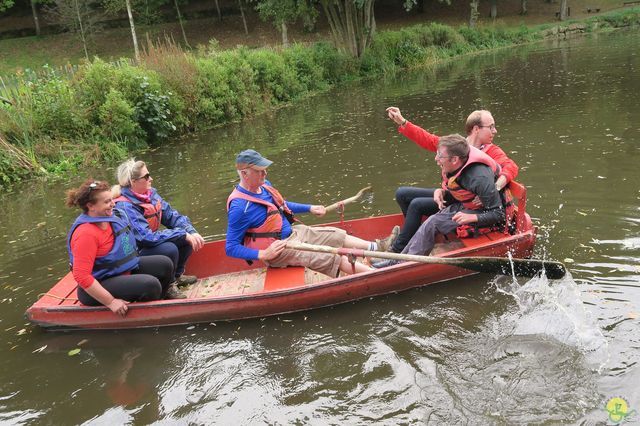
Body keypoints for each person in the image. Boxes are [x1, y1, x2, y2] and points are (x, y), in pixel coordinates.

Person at [226, 149, 399, 277]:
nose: (265, 173)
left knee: (336, 235)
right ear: (244, 173)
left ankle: (377, 247)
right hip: (280, 250)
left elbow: (283, 205)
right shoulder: (240, 207)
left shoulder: (264, 185)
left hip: (294, 234)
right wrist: (263, 254)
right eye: (259, 170)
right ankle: (377, 274)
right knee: (330, 255)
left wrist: (310, 208)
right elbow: (231, 247)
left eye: (264, 169)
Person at [384, 107, 519, 252]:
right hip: (452, 193)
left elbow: (511, 166)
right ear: (476, 129)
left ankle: (399, 249)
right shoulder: (456, 145)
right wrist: (402, 122)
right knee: (402, 194)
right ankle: (415, 235)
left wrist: (495, 186)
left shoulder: (492, 151)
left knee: (417, 205)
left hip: (465, 201)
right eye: (491, 127)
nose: (495, 131)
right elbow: (428, 139)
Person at [372, 134, 505, 268]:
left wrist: (472, 217)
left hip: (483, 214)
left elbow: (499, 214)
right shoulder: (456, 165)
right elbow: (461, 190)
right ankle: (398, 259)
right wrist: (442, 192)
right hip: (466, 204)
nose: (436, 159)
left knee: (433, 222)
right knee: (429, 222)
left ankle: (401, 265)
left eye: (440, 156)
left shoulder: (479, 177)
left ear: (454, 159)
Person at [66, 179, 176, 315]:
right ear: (91, 206)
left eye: (111, 200)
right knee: (150, 284)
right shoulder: (85, 234)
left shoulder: (109, 219)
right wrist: (110, 301)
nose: (113, 204)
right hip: (98, 285)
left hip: (117, 271)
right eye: (106, 202)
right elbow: (81, 276)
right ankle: (147, 315)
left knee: (165, 264)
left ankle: (159, 303)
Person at [113, 159, 206, 299]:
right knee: (170, 248)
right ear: (133, 182)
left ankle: (176, 276)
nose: (151, 178)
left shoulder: (150, 195)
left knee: (186, 238)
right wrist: (182, 234)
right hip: (134, 254)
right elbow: (145, 238)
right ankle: (168, 286)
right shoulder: (125, 206)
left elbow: (173, 217)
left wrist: (190, 231)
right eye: (146, 176)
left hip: (148, 244)